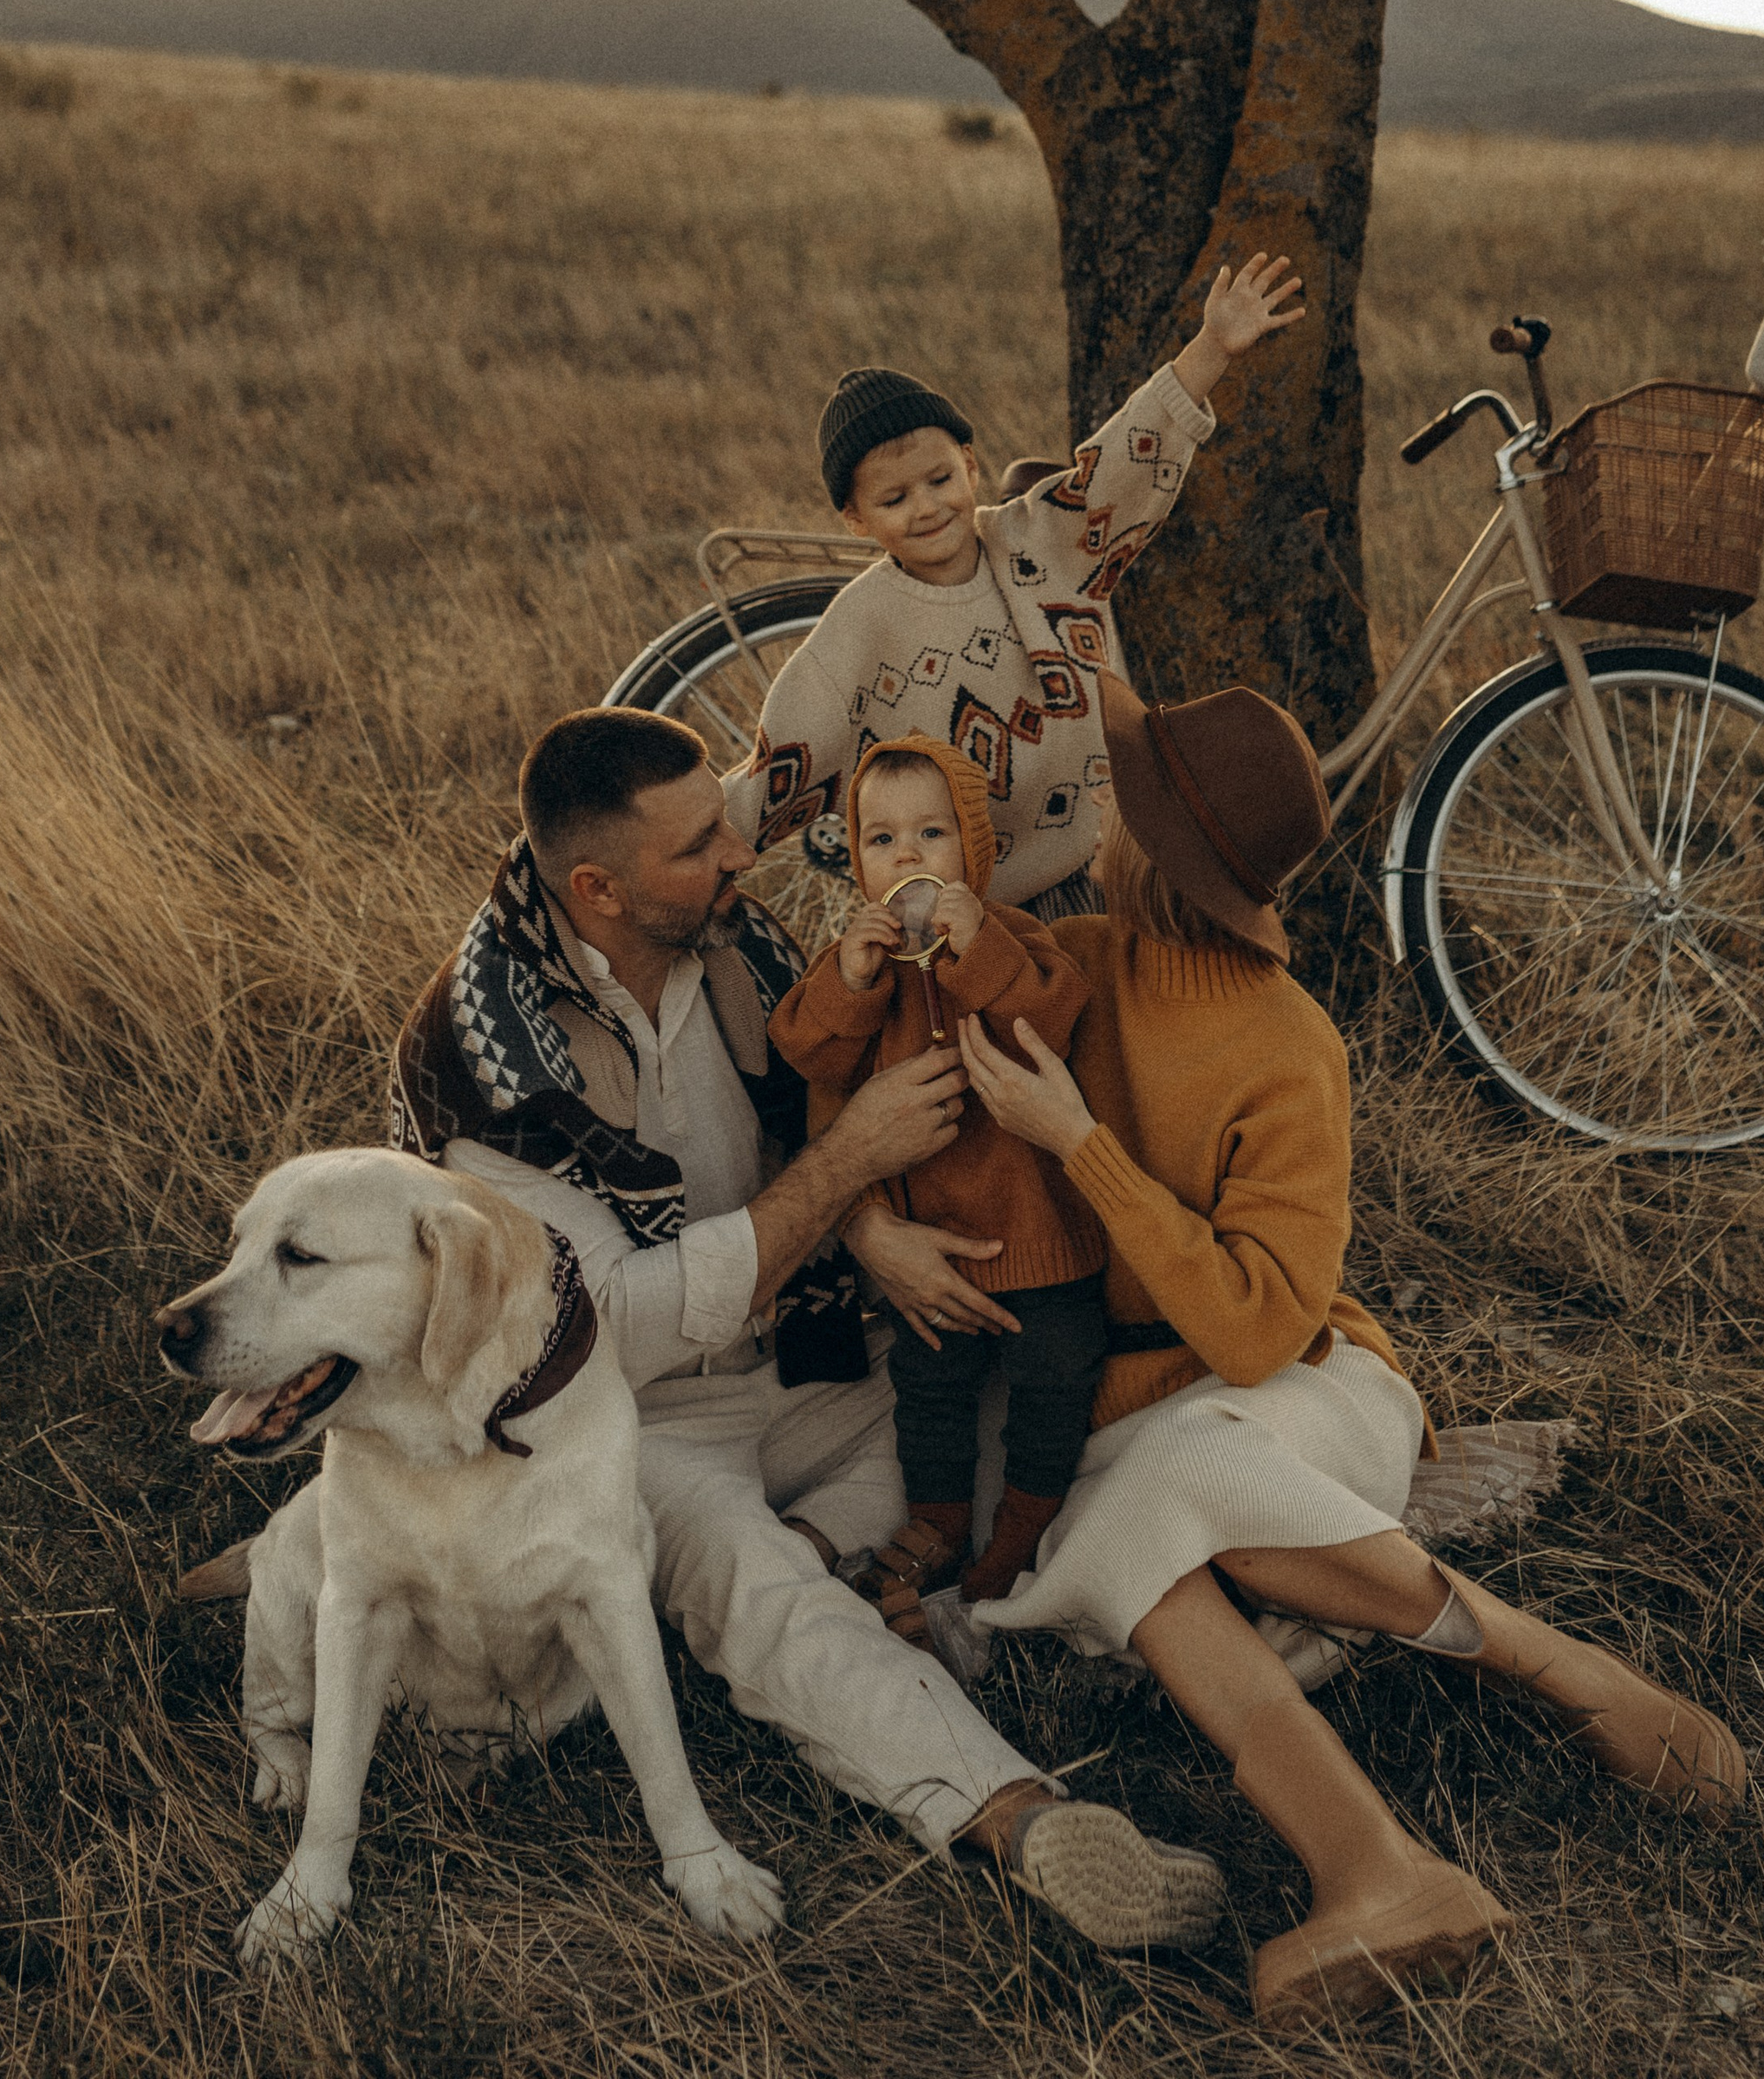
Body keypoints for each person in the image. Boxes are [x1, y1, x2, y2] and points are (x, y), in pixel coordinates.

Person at [907, 662, 1748, 2030]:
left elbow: (1254, 1330)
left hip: (1303, 1388)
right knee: (1133, 1520)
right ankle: (1399, 1845)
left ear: (1157, 852)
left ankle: (1479, 1740)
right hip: (1125, 1416)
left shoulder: (1288, 1044)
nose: (1098, 826)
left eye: (1121, 810)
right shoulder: (1078, 970)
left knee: (1160, 1494)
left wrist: (1085, 1149)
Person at [388, 705, 1226, 1952]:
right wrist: (846, 1175)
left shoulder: (738, 942)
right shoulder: (483, 1054)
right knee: (750, 1578)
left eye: (728, 830)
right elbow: (614, 1330)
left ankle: (1214, 1593)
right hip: (613, 1413)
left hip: (813, 1344)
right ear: (598, 888)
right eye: (698, 849)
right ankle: (1025, 1820)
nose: (742, 856)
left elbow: (823, 1099)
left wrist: (874, 1229)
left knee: (1044, 1400)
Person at [719, 252, 1304, 920]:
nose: (928, 507)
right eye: (895, 498)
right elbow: (780, 762)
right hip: (965, 906)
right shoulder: (862, 625)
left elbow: (1121, 462)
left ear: (970, 465)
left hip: (1104, 861)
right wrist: (693, 854)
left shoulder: (1042, 541)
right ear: (855, 520)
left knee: (1118, 1017)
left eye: (940, 480)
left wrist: (1211, 348)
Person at [766, 735, 1106, 1641]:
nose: (906, 857)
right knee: (930, 1391)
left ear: (976, 853)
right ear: (857, 861)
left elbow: (1056, 1017)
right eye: (880, 840)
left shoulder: (1014, 939)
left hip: (1037, 1239)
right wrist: (850, 977)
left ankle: (1024, 1522)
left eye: (930, 834)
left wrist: (975, 951)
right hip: (928, 1251)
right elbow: (808, 1051)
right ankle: (943, 1521)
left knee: (1053, 1377)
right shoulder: (863, 968)